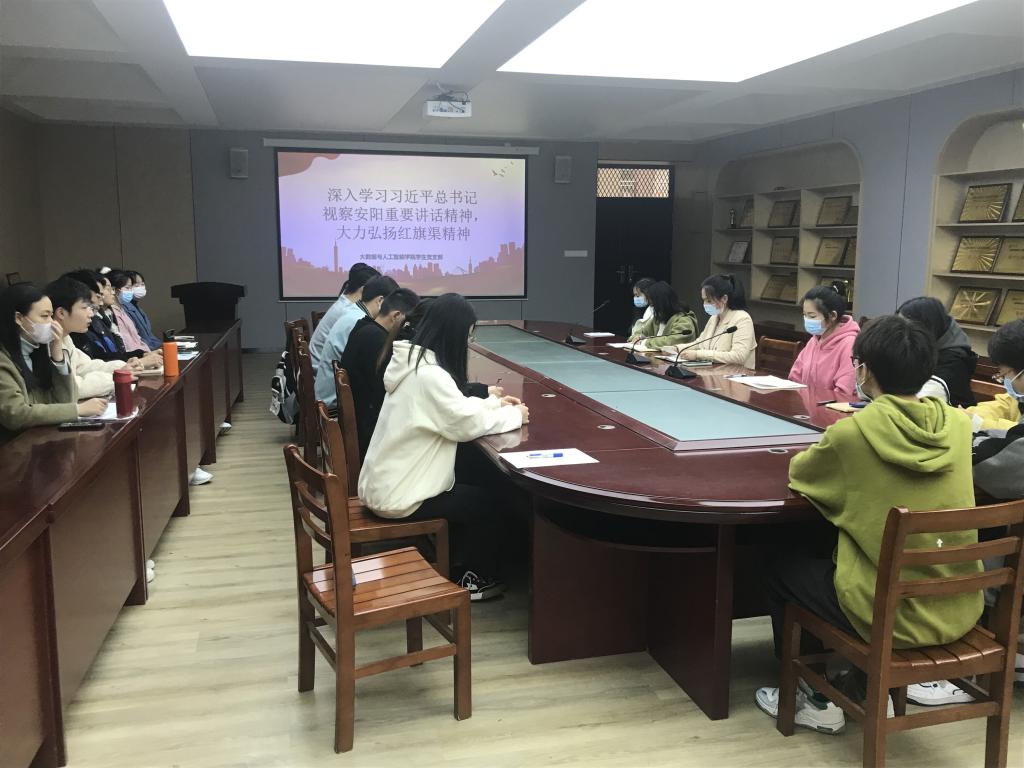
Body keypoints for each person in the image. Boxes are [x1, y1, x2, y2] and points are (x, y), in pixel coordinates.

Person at [754, 315, 983, 734]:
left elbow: (802, 476)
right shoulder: (957, 425)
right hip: (961, 603)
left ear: (864, 371)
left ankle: (814, 697)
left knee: (781, 567)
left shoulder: (853, 433)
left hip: (893, 616)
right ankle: (863, 685)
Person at [357, 293, 528, 601]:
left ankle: (459, 558)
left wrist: (493, 404)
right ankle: (470, 577)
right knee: (487, 503)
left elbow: (454, 411)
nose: (468, 343)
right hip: (400, 495)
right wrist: (514, 415)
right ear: (454, 334)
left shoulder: (414, 364)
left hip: (386, 484)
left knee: (472, 478)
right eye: (468, 335)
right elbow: (463, 424)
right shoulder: (429, 375)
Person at [0, 283, 107, 442]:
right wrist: (77, 410)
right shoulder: (4, 359)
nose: (52, 322)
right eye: (45, 316)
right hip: (13, 447)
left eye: (51, 315)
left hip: (40, 439)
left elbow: (65, 401)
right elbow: (16, 414)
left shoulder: (38, 350)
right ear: (19, 318)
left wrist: (58, 355)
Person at [340, 287, 420, 457]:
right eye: (408, 323)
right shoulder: (377, 341)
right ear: (396, 316)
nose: (409, 328)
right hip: (370, 433)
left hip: (359, 418)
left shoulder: (365, 326)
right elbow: (389, 388)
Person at [315, 275, 399, 409]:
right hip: (333, 405)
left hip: (328, 395)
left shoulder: (353, 312)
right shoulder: (358, 321)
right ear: (380, 301)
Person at [45, 276, 133, 399]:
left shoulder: (65, 337)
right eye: (84, 307)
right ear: (61, 313)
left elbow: (86, 366)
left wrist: (122, 368)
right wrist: (115, 378)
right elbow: (75, 388)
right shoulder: (47, 343)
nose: (91, 314)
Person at [661, 274, 756, 367]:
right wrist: (676, 349)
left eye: (709, 300)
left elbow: (738, 356)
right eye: (704, 300)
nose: (705, 304)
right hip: (712, 371)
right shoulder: (714, 317)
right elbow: (700, 343)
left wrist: (698, 355)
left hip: (735, 374)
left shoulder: (742, 319)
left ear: (724, 298)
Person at [898, 296, 977, 407]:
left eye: (908, 327)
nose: (902, 334)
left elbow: (915, 405)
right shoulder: (927, 350)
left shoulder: (952, 363)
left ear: (927, 327)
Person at [788, 282, 859, 394]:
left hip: (833, 405)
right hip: (806, 403)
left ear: (833, 316)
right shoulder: (815, 340)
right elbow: (795, 376)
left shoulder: (849, 344)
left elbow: (843, 392)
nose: (807, 320)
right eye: (804, 315)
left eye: (812, 316)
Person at [308, 263, 379, 369]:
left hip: (320, 365)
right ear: (364, 289)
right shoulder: (349, 311)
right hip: (321, 370)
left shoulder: (345, 303)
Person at [627, 281, 697, 348]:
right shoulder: (659, 317)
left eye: (654, 305)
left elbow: (673, 341)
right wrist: (637, 337)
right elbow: (642, 332)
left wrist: (645, 342)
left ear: (662, 303)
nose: (653, 308)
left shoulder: (684, 320)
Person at [107, 270, 154, 354]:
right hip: (135, 357)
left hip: (143, 352)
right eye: (128, 288)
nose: (131, 291)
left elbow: (137, 338)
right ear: (115, 290)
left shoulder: (121, 310)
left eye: (131, 288)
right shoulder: (113, 313)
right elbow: (127, 344)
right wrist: (145, 354)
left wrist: (149, 352)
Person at [120, 269, 162, 350]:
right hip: (145, 351)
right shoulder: (125, 308)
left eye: (142, 284)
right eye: (136, 285)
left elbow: (149, 336)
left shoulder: (136, 307)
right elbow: (137, 338)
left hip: (152, 348)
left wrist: (162, 346)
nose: (141, 287)